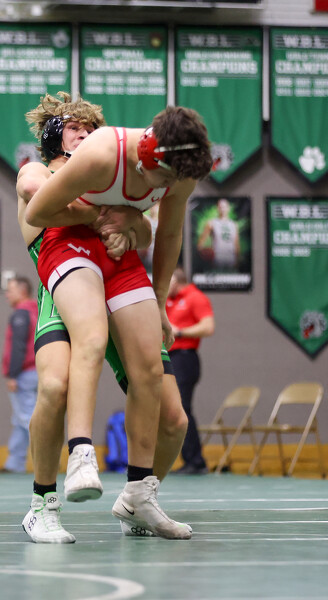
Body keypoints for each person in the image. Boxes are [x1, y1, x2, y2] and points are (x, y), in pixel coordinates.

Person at [25, 101, 213, 540]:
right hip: (67, 269)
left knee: (173, 417)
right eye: (73, 128)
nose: (84, 133)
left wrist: (135, 230)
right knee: (55, 385)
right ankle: (49, 492)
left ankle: (138, 496)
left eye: (91, 126)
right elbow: (34, 200)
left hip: (118, 268)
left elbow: (155, 232)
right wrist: (105, 216)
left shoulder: (171, 170)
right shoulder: (54, 167)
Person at [166, 266, 215, 475]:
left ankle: (196, 461)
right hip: (169, 357)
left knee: (182, 407)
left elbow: (208, 327)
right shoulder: (168, 300)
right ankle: (188, 459)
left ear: (176, 281)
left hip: (185, 358)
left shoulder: (195, 297)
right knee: (171, 409)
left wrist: (180, 332)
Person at [0, 276, 38, 474]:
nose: (7, 294)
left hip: (24, 374)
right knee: (20, 419)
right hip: (37, 372)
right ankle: (14, 463)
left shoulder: (21, 314)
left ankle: (47, 462)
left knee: (27, 419)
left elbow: (18, 346)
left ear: (22, 291)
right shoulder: (37, 312)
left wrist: (13, 375)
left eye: (10, 290)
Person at [197, 198, 240, 270]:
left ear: (228, 208)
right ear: (217, 208)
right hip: (217, 257)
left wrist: (237, 259)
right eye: (220, 207)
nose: (223, 209)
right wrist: (205, 254)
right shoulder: (211, 223)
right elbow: (200, 243)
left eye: (224, 207)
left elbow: (236, 244)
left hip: (231, 257)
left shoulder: (234, 225)